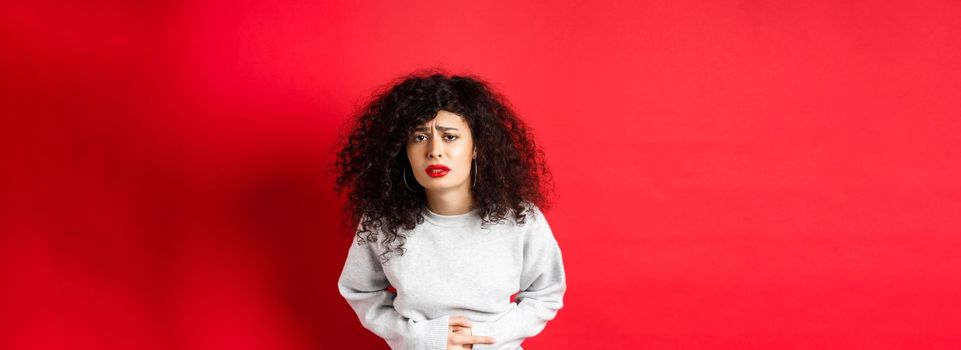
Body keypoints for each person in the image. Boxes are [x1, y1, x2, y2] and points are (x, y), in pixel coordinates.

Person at [333, 70, 566, 350]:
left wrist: (484, 337)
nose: (434, 151)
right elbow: (359, 290)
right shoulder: (383, 222)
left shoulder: (520, 219)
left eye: (450, 137)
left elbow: (546, 294)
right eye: (419, 138)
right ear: (402, 151)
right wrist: (421, 339)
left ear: (476, 147)